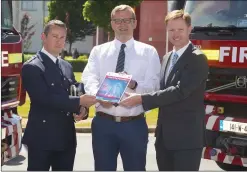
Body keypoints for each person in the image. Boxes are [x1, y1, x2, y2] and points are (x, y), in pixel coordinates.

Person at [120, 9, 209, 171]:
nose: (176, 34)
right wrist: (134, 85)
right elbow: (162, 89)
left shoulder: (197, 58)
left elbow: (180, 91)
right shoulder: (168, 57)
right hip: (164, 139)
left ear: (189, 29)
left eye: (180, 29)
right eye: (171, 30)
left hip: (186, 140)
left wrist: (141, 99)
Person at [82, 4, 161, 171]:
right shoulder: (98, 51)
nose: (122, 24)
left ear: (135, 23)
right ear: (111, 24)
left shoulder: (149, 52)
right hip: (104, 123)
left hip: (134, 124)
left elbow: (154, 86)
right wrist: (101, 97)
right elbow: (89, 78)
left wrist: (135, 86)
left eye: (126, 20)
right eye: (117, 20)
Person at [21, 20, 96, 171]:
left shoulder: (66, 66)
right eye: (54, 36)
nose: (59, 41)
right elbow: (44, 99)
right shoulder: (32, 66)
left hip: (66, 137)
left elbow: (74, 89)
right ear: (43, 37)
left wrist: (82, 109)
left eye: (62, 37)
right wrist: (78, 101)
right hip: (42, 138)